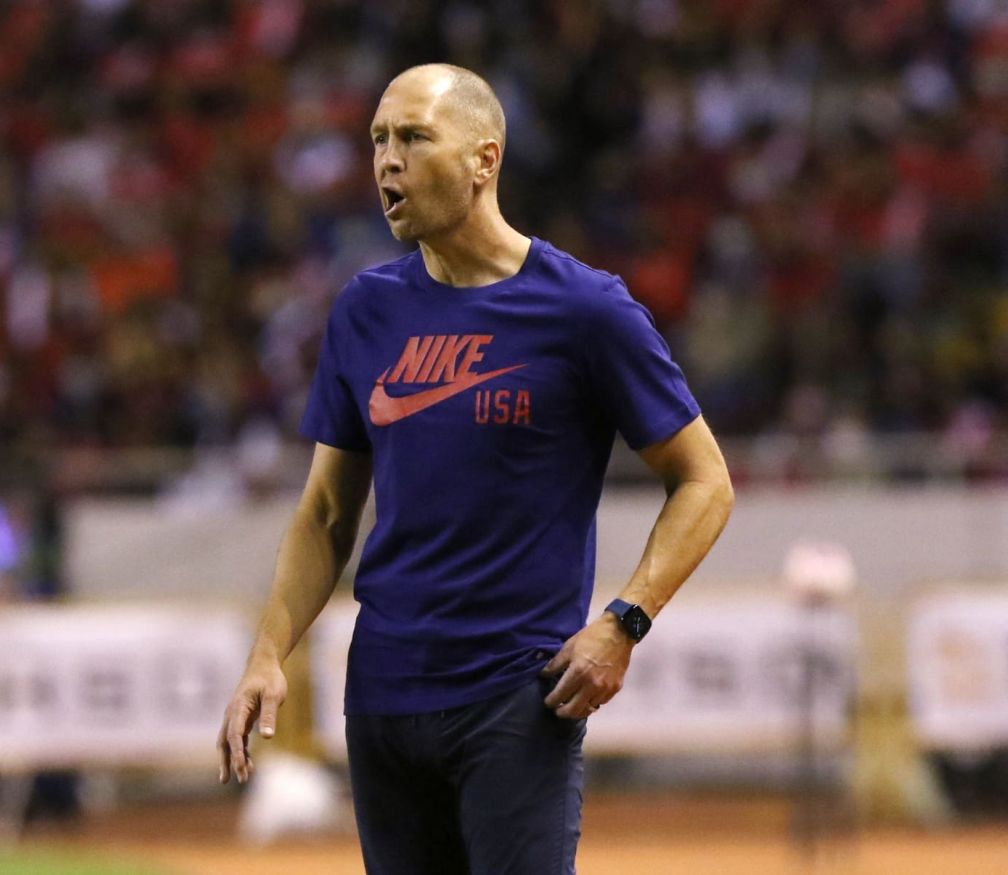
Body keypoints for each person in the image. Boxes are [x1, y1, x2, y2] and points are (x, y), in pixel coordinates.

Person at [216, 63, 734, 875]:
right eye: (379, 140)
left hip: (514, 700)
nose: (388, 160)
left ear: (484, 159)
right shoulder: (365, 308)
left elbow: (705, 481)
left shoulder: (584, 309)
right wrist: (266, 653)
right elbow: (324, 513)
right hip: (383, 697)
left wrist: (623, 621)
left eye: (414, 138)